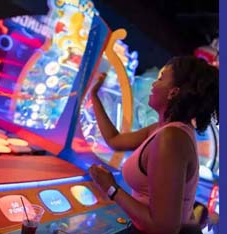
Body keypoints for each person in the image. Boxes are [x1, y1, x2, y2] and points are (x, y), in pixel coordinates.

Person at [88, 56, 218, 234]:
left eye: (161, 78)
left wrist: (111, 188)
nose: (153, 84)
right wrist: (93, 96)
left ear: (173, 92)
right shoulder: (163, 129)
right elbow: (114, 140)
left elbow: (164, 229)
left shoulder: (172, 139)